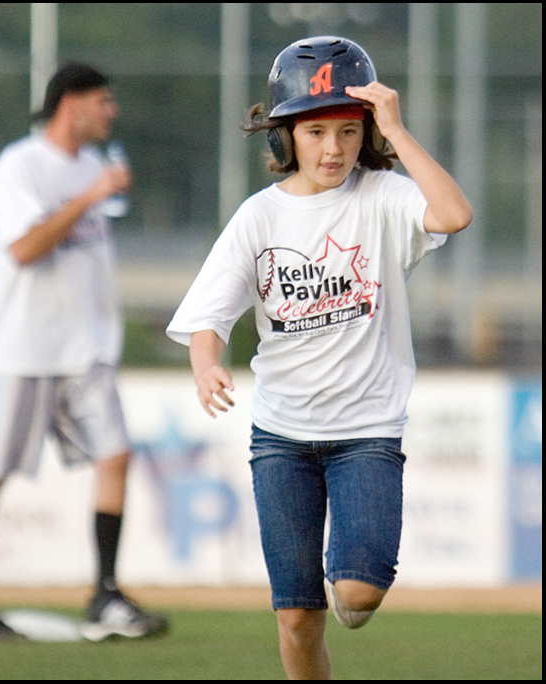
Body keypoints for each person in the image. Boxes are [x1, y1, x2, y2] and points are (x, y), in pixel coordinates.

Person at [167, 36, 471, 679]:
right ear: (285, 137)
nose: (333, 148)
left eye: (348, 131)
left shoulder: (384, 196)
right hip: (281, 439)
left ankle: (350, 576)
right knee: (298, 619)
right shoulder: (259, 217)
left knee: (355, 598)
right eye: (315, 132)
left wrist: (396, 129)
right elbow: (207, 319)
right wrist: (206, 365)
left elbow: (453, 214)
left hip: (367, 434)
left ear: (367, 132)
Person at [0, 62, 168, 645]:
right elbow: (23, 249)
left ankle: (105, 596)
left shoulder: (93, 164)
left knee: (115, 455)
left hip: (84, 350)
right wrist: (91, 196)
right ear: (72, 103)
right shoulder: (20, 165)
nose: (112, 111)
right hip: (19, 349)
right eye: (103, 100)